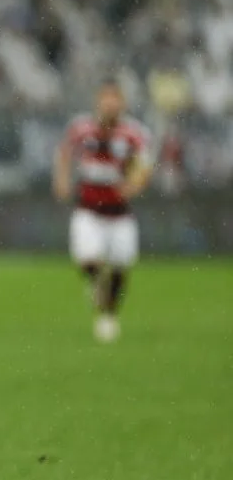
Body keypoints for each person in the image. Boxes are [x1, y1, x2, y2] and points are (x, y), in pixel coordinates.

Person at [53, 80, 151, 343]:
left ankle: (109, 313)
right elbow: (64, 153)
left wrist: (135, 185)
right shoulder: (81, 128)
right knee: (88, 258)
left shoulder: (133, 133)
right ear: (98, 101)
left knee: (121, 266)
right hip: (88, 209)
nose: (110, 103)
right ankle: (97, 287)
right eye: (106, 98)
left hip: (120, 212)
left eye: (115, 98)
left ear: (122, 102)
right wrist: (62, 180)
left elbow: (145, 165)